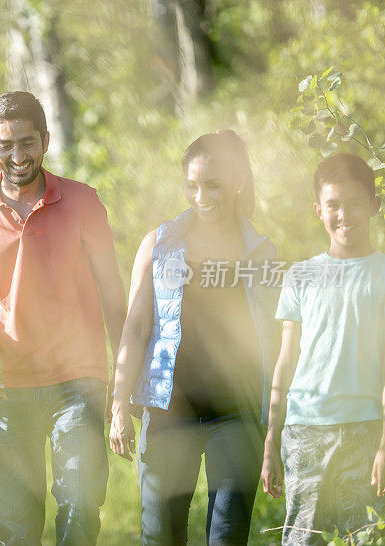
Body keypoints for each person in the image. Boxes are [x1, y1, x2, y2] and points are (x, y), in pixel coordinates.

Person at [0, 91, 127, 545]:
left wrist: (126, 379)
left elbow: (112, 292)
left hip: (78, 380)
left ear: (45, 140)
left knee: (80, 502)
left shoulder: (83, 201)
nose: (17, 155)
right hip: (8, 387)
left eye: (27, 142)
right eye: (5, 144)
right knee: (16, 525)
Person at [109, 130, 279, 544]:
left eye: (212, 185)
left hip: (236, 415)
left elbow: (276, 341)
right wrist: (118, 402)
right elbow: (135, 327)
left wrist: (277, 421)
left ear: (238, 181)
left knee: (226, 535)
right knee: (160, 534)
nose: (200, 197)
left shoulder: (261, 253)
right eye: (192, 186)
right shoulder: (160, 245)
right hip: (169, 412)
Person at [261, 153, 385, 545]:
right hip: (304, 430)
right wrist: (271, 439)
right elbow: (286, 360)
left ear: (375, 204)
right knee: (302, 538)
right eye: (333, 205)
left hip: (365, 428)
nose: (343, 214)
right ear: (318, 210)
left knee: (364, 537)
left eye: (354, 203)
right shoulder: (302, 274)